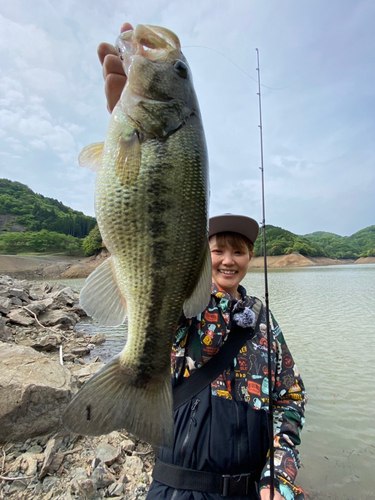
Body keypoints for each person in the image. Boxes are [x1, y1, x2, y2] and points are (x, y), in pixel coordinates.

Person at [97, 25, 307, 500]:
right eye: (218, 248)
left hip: (249, 491)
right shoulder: (191, 310)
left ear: (251, 258)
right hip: (175, 489)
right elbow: (159, 296)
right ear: (201, 251)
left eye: (240, 250)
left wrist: (280, 478)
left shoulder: (264, 325)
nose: (229, 260)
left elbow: (290, 400)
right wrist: (125, 145)